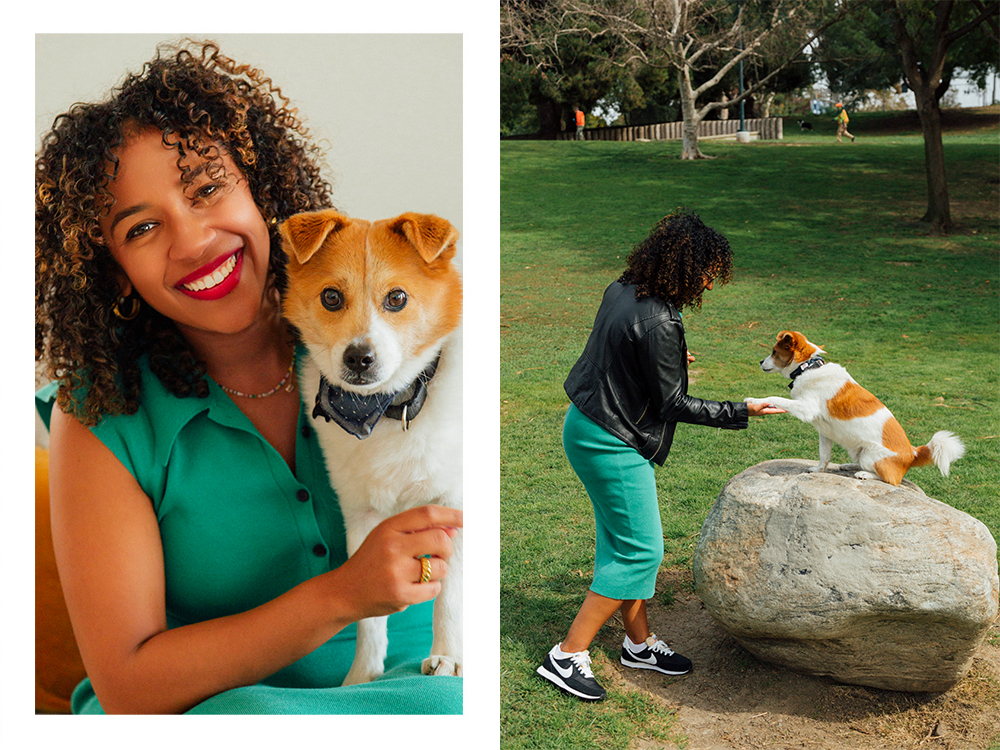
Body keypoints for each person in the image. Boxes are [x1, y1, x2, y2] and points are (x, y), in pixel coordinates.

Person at [34, 40, 462, 715]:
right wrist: (343, 595)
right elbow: (129, 687)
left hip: (418, 680)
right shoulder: (102, 415)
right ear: (113, 271)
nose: (192, 241)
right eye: (142, 228)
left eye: (207, 190)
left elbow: (461, 524)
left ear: (261, 190)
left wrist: (436, 580)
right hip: (212, 707)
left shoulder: (408, 351)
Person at [535, 210, 784, 701]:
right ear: (686, 266)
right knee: (642, 550)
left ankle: (638, 643)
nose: (709, 285)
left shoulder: (623, 289)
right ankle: (567, 655)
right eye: (708, 273)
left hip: (586, 423)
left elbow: (618, 347)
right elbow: (673, 404)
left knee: (620, 543)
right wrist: (742, 409)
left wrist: (662, 358)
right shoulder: (660, 320)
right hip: (613, 440)